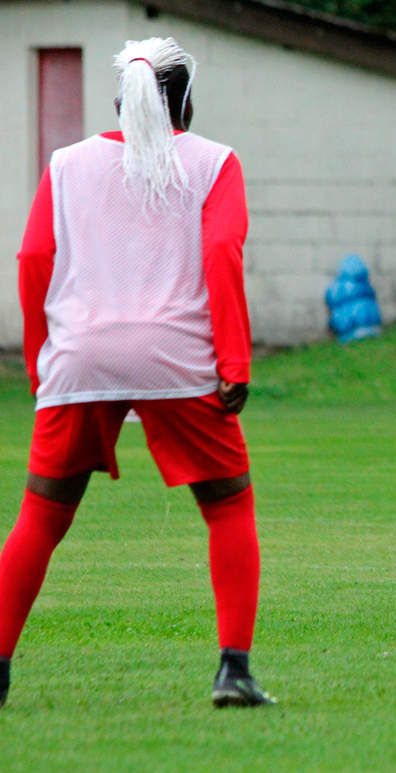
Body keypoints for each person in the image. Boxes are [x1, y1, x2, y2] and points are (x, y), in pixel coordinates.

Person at [0, 37, 274, 709]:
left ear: (123, 99)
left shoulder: (65, 164)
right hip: (178, 363)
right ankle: (232, 672)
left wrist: (43, 360)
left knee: (41, 513)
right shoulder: (216, 163)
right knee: (228, 504)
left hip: (79, 358)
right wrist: (233, 362)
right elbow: (221, 254)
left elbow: (34, 258)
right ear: (184, 99)